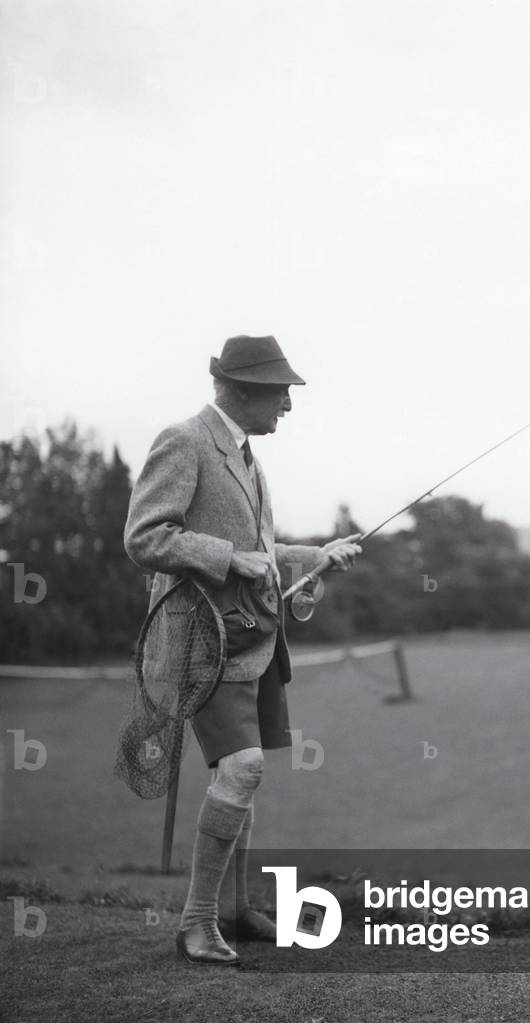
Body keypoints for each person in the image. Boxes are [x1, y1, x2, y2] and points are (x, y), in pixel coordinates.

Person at [124, 335, 362, 965]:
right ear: (245, 390)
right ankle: (197, 922)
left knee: (242, 773)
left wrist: (316, 556)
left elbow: (258, 553)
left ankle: (233, 910)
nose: (288, 404)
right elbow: (145, 536)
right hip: (200, 642)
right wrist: (232, 558)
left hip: (252, 641)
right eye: (281, 391)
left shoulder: (247, 455)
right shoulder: (185, 441)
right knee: (243, 767)